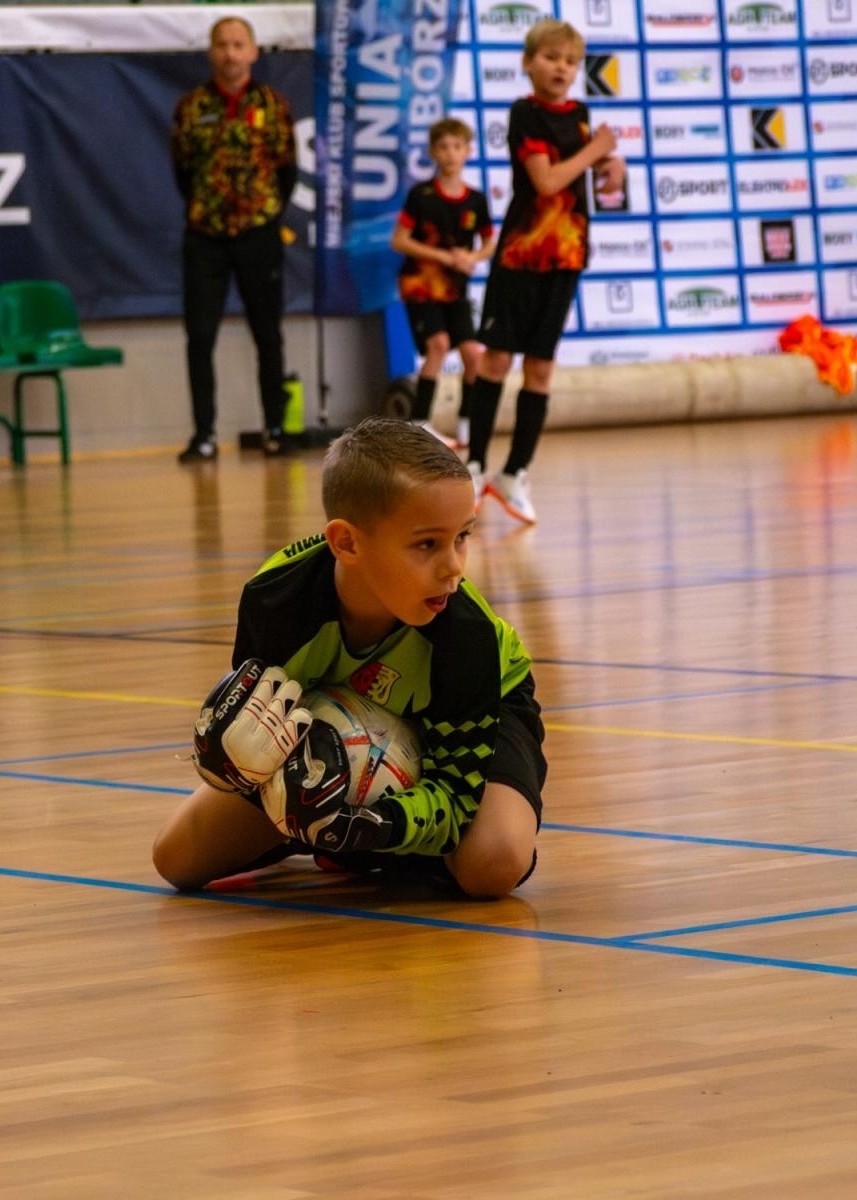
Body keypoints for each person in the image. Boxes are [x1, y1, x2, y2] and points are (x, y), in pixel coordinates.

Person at [152, 417, 546, 899]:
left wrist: (373, 827)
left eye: (462, 536)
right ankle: (317, 833)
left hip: (487, 709)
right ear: (346, 542)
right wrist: (237, 764)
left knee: (493, 863)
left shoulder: (466, 634)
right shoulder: (277, 602)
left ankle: (360, 850)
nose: (454, 568)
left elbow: (455, 796)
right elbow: (265, 738)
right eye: (427, 544)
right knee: (175, 858)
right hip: (333, 740)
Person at [464, 19, 624, 524]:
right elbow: (548, 180)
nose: (562, 68)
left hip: (567, 257)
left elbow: (585, 166)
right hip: (521, 255)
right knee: (496, 361)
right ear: (528, 63)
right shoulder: (524, 113)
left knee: (540, 369)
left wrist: (612, 166)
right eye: (551, 58)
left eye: (571, 61)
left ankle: (514, 473)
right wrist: (596, 151)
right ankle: (472, 467)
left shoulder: (580, 114)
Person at [170, 15, 297, 463]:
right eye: (222, 44)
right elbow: (183, 171)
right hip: (205, 237)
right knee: (200, 336)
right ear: (211, 52)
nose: (230, 53)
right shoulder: (192, 106)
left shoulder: (272, 104)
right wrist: (212, 208)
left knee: (268, 334)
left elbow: (286, 169)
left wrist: (260, 212)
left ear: (253, 52)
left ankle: (275, 429)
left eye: (238, 44)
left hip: (259, 234)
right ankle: (204, 434)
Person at [389, 117, 496, 451]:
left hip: (455, 288)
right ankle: (420, 423)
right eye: (444, 147)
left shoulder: (476, 199)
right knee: (438, 344)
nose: (451, 154)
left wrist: (470, 258)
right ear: (433, 152)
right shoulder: (421, 196)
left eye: (457, 147)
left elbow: (489, 243)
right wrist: (443, 257)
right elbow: (399, 240)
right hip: (420, 285)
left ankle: (466, 422)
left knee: (473, 355)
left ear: (468, 152)